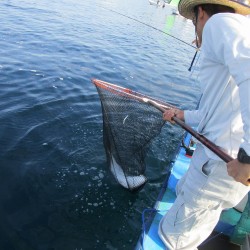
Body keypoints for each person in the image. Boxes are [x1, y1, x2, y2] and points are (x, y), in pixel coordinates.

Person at [158, 0, 250, 249]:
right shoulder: (237, 31)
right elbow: (215, 110)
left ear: (200, 12)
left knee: (172, 238)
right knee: (191, 201)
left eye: (191, 22)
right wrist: (182, 114)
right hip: (218, 165)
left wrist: (247, 157)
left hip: (223, 165)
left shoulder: (219, 23)